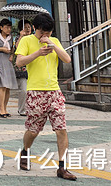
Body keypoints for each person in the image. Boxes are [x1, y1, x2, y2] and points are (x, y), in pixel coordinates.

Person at [15, 12, 75, 180]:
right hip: (35, 92)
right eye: (43, 32)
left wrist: (52, 44)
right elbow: (19, 62)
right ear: (35, 28)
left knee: (61, 129)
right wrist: (37, 53)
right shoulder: (26, 41)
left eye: (48, 33)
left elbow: (67, 59)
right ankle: (25, 151)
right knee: (33, 131)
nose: (45, 35)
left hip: (55, 92)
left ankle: (62, 167)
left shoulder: (53, 41)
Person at [16, 20, 32, 115]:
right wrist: (21, 36)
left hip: (32, 67)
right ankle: (22, 109)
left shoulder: (33, 38)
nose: (27, 29)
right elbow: (17, 48)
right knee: (23, 90)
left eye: (29, 27)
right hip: (22, 68)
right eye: (25, 27)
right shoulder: (18, 38)